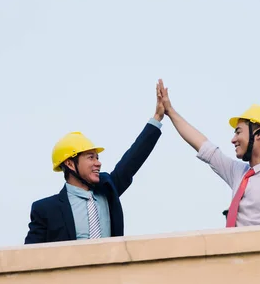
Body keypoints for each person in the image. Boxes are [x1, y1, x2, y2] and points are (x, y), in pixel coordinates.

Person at [157, 79, 260, 227]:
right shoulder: (239, 174)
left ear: (259, 134)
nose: (233, 139)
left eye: (238, 132)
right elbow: (204, 146)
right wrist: (170, 112)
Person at [24, 89, 164, 244]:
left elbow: (133, 159)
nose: (98, 163)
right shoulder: (45, 210)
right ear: (70, 163)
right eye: (91, 158)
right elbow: (29, 257)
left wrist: (157, 118)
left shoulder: (108, 189)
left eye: (97, 158)